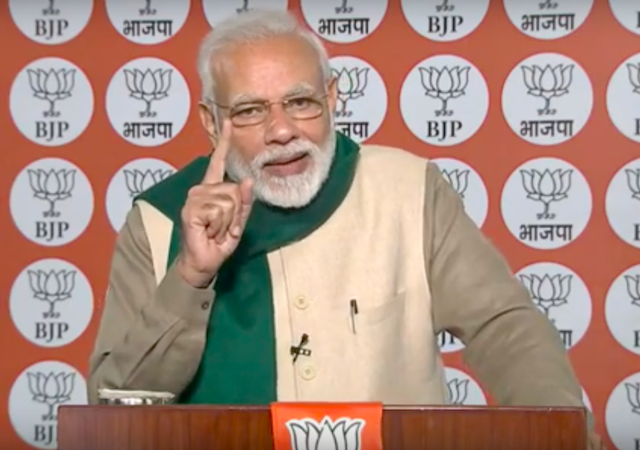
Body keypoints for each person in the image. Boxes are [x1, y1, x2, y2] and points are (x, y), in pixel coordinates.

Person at [88, 9, 603, 448]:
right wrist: (190, 277)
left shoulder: (408, 190)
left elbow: (504, 328)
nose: (282, 130)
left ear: (332, 98)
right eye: (249, 111)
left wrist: (561, 434)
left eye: (300, 102)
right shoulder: (159, 220)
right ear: (210, 122)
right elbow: (115, 408)